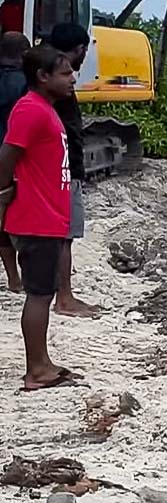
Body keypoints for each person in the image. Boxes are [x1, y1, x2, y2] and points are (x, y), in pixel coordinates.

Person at [0, 45, 82, 391]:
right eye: (65, 73)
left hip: (47, 216)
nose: (73, 78)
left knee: (43, 293)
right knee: (38, 294)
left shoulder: (45, 109)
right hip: (35, 218)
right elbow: (6, 156)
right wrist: (3, 194)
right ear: (42, 76)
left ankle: (43, 362)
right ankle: (36, 370)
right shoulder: (31, 109)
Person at [50, 22, 99, 317]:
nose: (72, 79)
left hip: (58, 168)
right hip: (64, 170)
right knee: (64, 235)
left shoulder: (40, 77)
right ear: (79, 49)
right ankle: (64, 298)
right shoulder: (56, 88)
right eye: (67, 74)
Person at [0, 30, 28, 292]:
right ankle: (22, 277)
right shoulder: (26, 85)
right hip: (15, 159)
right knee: (17, 221)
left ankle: (13, 278)